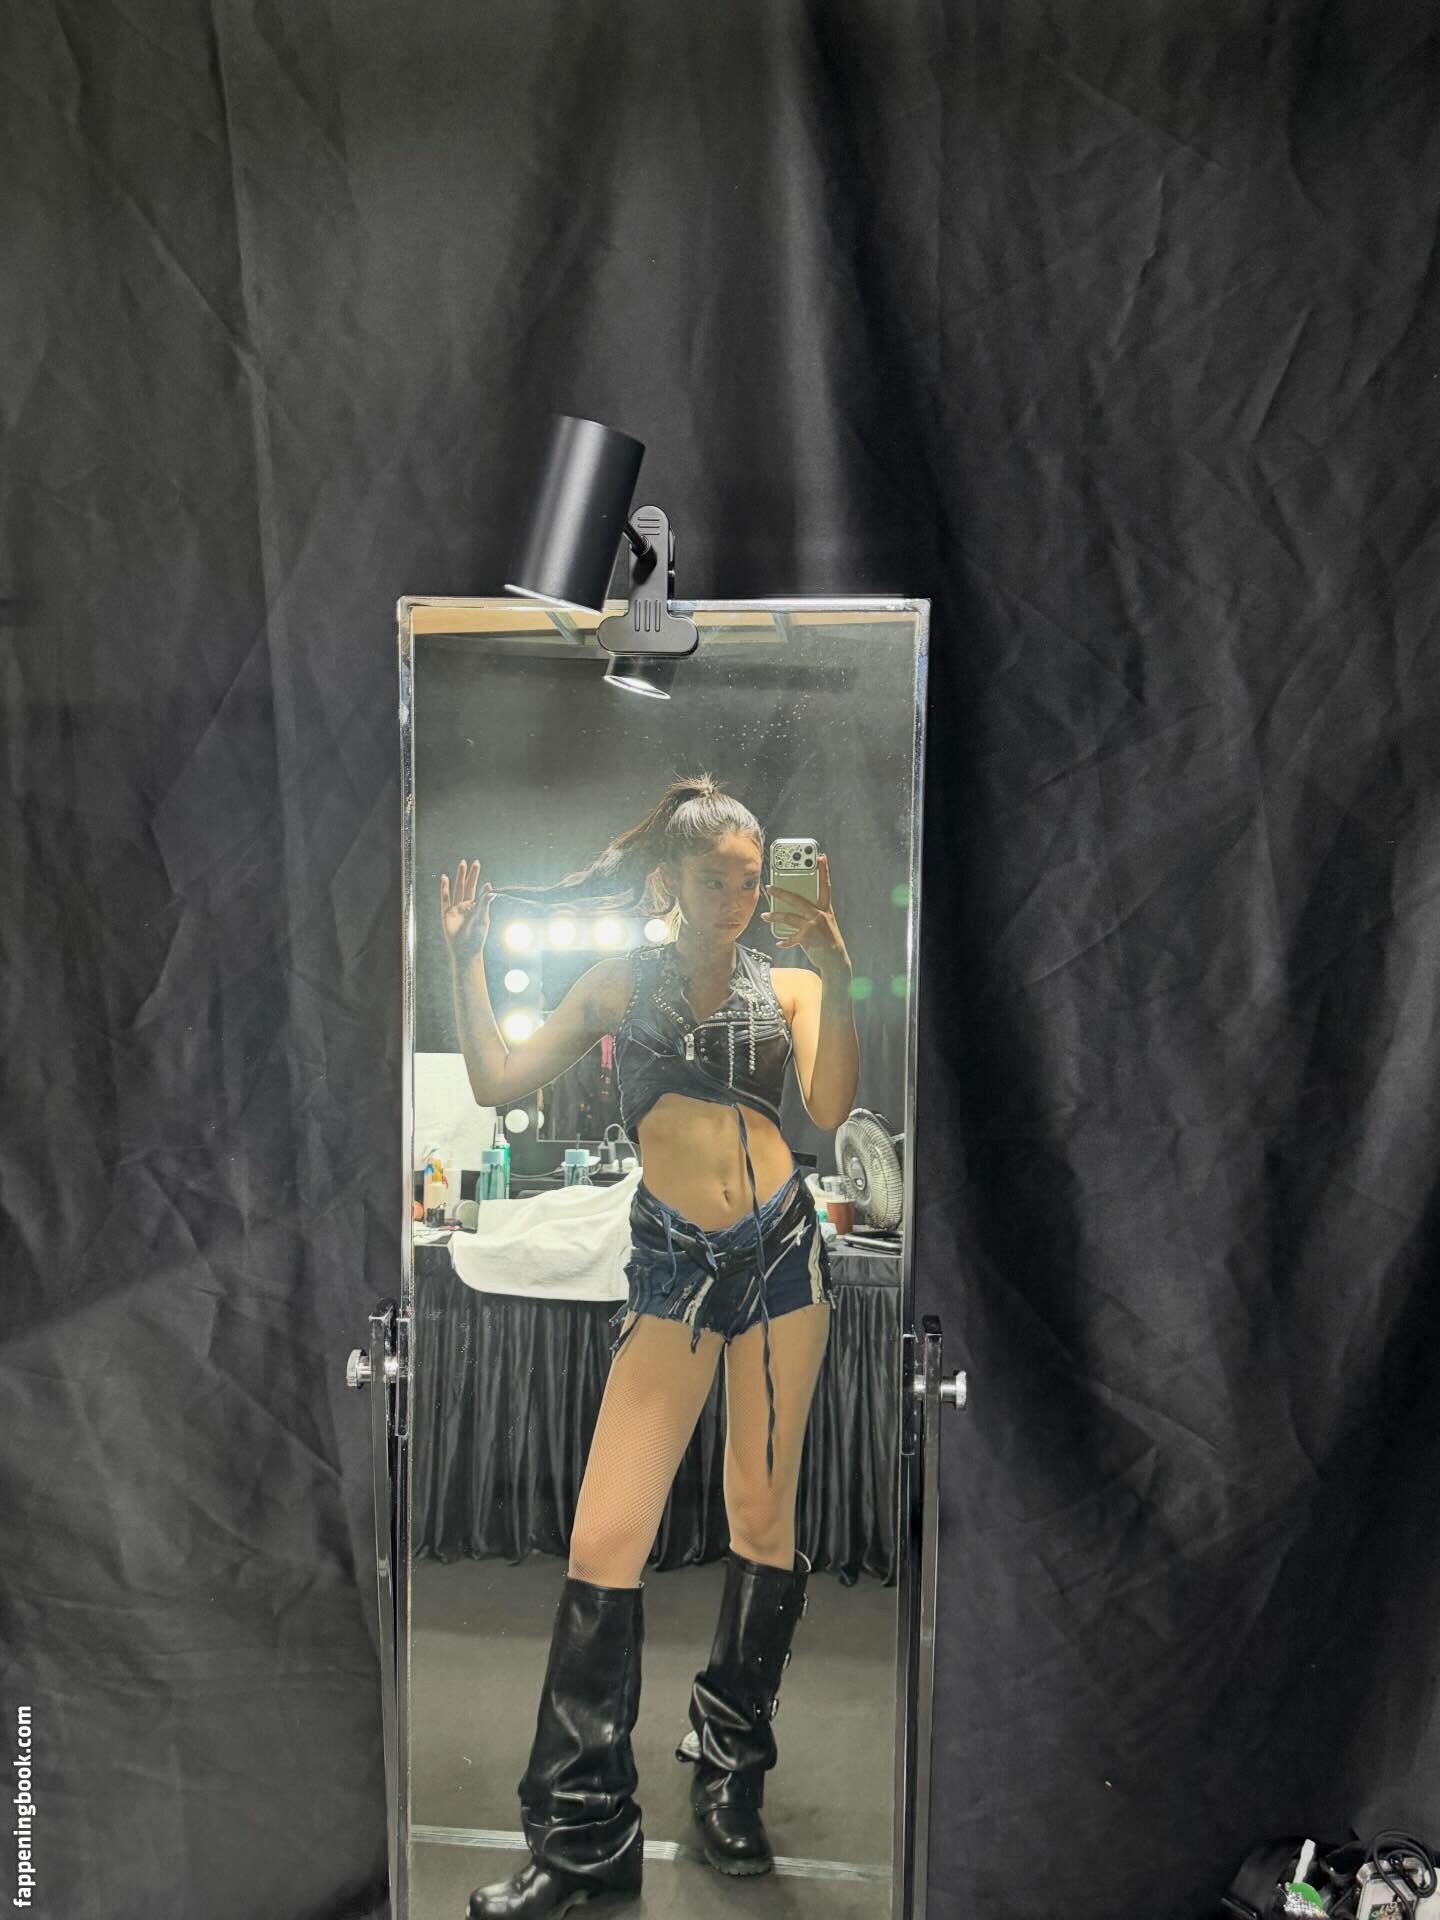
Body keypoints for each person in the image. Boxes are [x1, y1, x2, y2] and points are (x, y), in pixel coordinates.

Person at [441, 776, 859, 1920]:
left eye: (750, 878)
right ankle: (583, 1839)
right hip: (674, 1262)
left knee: (762, 1522)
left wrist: (835, 965)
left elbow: (830, 1106)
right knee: (603, 1536)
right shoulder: (620, 981)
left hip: (783, 1258)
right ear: (671, 878)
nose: (736, 897)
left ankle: (730, 1779)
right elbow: (493, 1077)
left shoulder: (790, 982)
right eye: (715, 878)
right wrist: (465, 961)